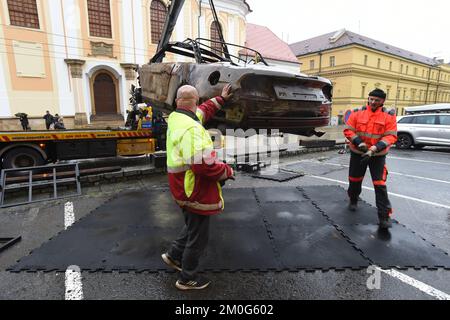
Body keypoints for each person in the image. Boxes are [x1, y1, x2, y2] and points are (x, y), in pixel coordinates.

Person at [161, 84, 235, 290]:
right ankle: (187, 278)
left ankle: (173, 256)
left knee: (192, 225)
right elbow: (203, 166)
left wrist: (221, 99)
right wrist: (227, 171)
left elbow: (202, 112)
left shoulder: (177, 118)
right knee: (199, 236)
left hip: (179, 186)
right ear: (195, 101)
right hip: (192, 189)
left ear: (178, 102)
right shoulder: (192, 129)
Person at [343, 89, 398, 229]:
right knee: (354, 180)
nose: (373, 102)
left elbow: (391, 136)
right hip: (358, 152)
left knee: (380, 185)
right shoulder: (356, 112)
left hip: (377, 155)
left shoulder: (388, 116)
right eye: (371, 99)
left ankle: (384, 216)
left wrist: (374, 149)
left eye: (377, 100)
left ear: (383, 101)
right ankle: (353, 199)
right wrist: (359, 143)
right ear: (368, 98)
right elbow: (348, 130)